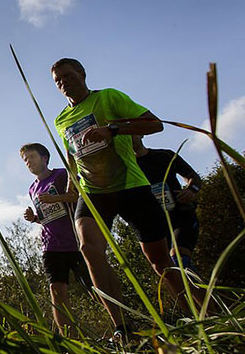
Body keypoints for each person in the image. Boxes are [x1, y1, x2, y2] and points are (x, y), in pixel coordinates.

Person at [51, 58, 204, 339]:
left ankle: (200, 318)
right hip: (94, 192)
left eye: (68, 75)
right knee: (89, 248)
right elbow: (72, 157)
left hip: (130, 186)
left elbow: (154, 124)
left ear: (82, 74)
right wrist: (73, 185)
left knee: (159, 260)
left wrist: (112, 130)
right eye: (58, 80)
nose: (63, 82)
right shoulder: (60, 120)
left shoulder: (109, 97)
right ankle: (122, 328)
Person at [20, 143, 92, 335]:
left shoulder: (61, 175)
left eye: (32, 157)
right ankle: (69, 339)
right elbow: (46, 217)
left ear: (44, 158)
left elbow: (80, 197)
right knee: (56, 290)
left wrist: (56, 198)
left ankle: (120, 328)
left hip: (75, 241)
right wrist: (33, 218)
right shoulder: (32, 189)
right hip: (51, 245)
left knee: (93, 287)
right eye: (25, 160)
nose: (28, 162)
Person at [132, 135, 203, 270]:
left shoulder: (165, 155)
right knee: (167, 269)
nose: (129, 138)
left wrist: (191, 190)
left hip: (181, 215)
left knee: (179, 259)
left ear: (140, 133)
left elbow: (194, 177)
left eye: (131, 134)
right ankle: (196, 284)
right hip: (157, 224)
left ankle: (193, 282)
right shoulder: (128, 168)